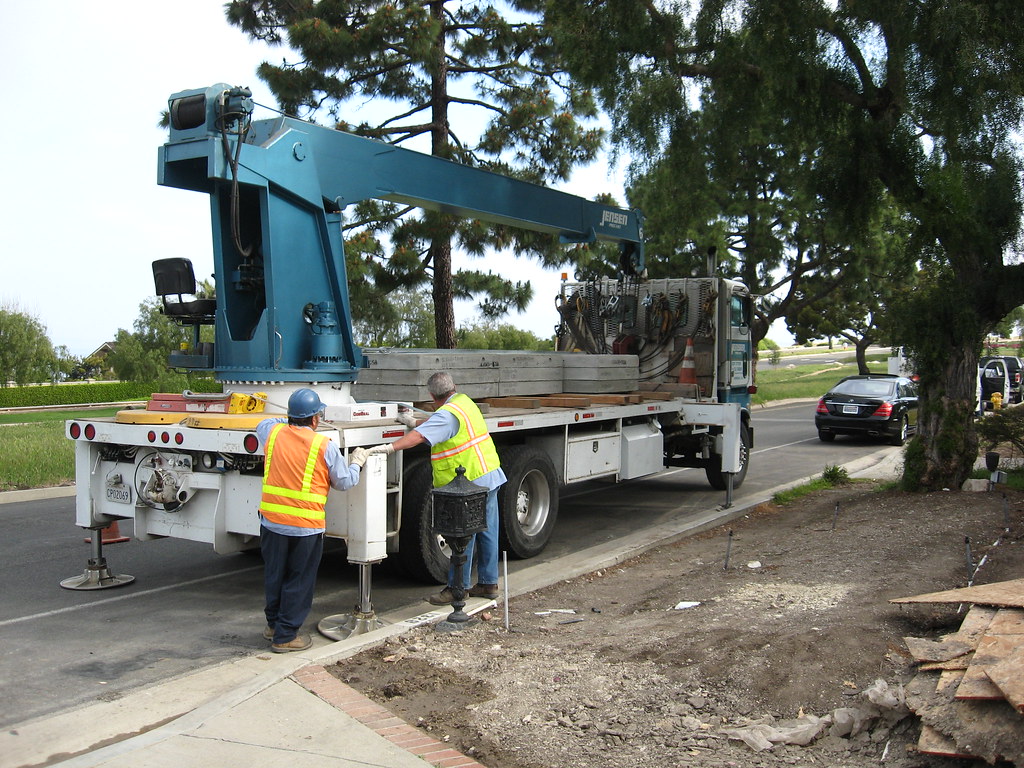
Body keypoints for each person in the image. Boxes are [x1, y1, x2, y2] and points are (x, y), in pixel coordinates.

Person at [368, 371, 505, 604]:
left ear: (432, 395)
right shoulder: (464, 403)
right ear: (454, 387)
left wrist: (388, 448)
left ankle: (456, 588)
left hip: (469, 483)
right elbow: (439, 421)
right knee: (488, 532)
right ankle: (488, 583)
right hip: (489, 474)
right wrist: (415, 421)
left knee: (461, 536)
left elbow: (420, 437)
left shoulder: (446, 415)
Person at [257, 387, 367, 652]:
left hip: (272, 522)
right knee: (298, 581)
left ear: (291, 415)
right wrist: (357, 463)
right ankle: (285, 637)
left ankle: (273, 626)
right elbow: (344, 482)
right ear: (316, 419)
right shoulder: (324, 446)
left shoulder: (272, 434)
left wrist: (291, 420)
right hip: (304, 527)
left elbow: (266, 421)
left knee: (275, 576)